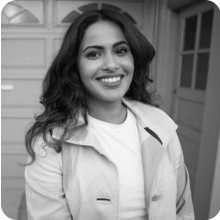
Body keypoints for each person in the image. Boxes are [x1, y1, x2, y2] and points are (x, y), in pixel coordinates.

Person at [25, 9, 195, 220]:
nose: (112, 65)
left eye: (121, 51)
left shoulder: (162, 126)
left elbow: (182, 209)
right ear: (74, 67)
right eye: (93, 54)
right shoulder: (50, 143)